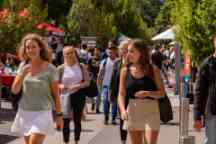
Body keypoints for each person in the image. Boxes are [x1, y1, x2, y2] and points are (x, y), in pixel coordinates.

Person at [11, 33, 63, 144]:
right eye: (28, 47)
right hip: (24, 112)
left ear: (40, 47)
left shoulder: (50, 69)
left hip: (42, 113)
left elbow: (56, 95)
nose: (30, 50)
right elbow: (14, 90)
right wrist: (23, 74)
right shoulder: (22, 66)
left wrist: (59, 115)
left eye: (33, 46)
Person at [118, 39, 165, 144]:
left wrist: (148, 93)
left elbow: (162, 93)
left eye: (132, 51)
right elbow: (121, 93)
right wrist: (122, 110)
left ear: (141, 53)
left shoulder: (153, 70)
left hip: (151, 110)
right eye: (128, 51)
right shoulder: (125, 71)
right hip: (133, 110)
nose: (128, 54)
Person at [57, 46, 90, 144]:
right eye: (67, 53)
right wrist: (61, 86)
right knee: (65, 121)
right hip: (65, 96)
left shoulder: (81, 66)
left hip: (78, 95)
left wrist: (76, 86)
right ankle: (66, 141)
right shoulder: (60, 68)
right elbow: (55, 83)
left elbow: (87, 82)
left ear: (75, 53)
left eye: (71, 52)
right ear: (63, 55)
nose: (70, 55)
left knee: (77, 120)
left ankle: (76, 140)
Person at [194, 34, 216, 144]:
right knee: (211, 141)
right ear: (214, 41)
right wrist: (197, 116)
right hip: (212, 111)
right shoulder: (207, 64)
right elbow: (199, 91)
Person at [110, 39, 131, 144]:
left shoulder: (135, 63)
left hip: (133, 96)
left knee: (134, 121)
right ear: (120, 50)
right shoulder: (117, 63)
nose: (126, 51)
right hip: (121, 96)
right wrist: (112, 95)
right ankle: (123, 141)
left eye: (128, 49)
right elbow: (113, 80)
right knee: (123, 120)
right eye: (124, 49)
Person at [97, 45, 118, 124]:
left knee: (114, 102)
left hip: (115, 86)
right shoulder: (104, 61)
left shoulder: (118, 61)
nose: (110, 53)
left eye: (112, 52)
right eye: (109, 52)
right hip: (105, 85)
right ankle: (106, 117)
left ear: (115, 52)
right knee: (105, 101)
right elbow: (100, 73)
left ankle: (113, 118)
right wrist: (98, 84)